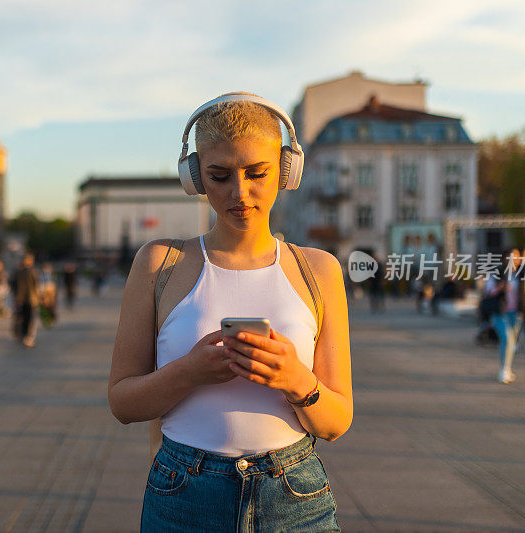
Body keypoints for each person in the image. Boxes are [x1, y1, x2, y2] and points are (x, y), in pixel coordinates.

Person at [108, 93, 351, 531]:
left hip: (294, 493)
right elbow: (122, 402)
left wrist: (297, 381)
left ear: (285, 170)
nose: (239, 193)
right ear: (195, 177)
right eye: (219, 176)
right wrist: (190, 372)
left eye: (257, 173)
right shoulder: (160, 262)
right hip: (185, 492)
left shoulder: (319, 270)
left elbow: (336, 422)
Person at [489, 248, 525, 383]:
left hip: (516, 313)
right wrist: (500, 288)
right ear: (504, 259)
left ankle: (507, 369)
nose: (514, 260)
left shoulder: (521, 274)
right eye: (510, 257)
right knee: (507, 339)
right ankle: (503, 371)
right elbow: (488, 291)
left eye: (516, 257)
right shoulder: (497, 273)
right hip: (500, 313)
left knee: (511, 343)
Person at [13, 253, 40, 348]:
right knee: (30, 319)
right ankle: (28, 337)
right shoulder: (32, 271)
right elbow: (36, 285)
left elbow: (14, 285)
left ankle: (24, 336)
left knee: (24, 318)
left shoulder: (18, 272)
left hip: (21, 299)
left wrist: (17, 297)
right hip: (31, 299)